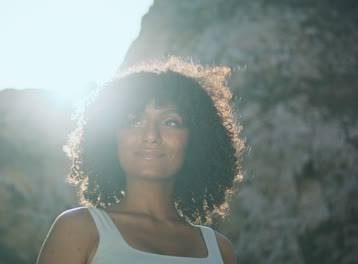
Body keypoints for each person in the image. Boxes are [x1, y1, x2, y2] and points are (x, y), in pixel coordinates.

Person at [37, 57, 244, 264]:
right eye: (134, 120)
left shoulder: (220, 249)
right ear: (111, 137)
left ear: (196, 139)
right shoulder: (79, 229)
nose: (151, 135)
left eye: (170, 122)